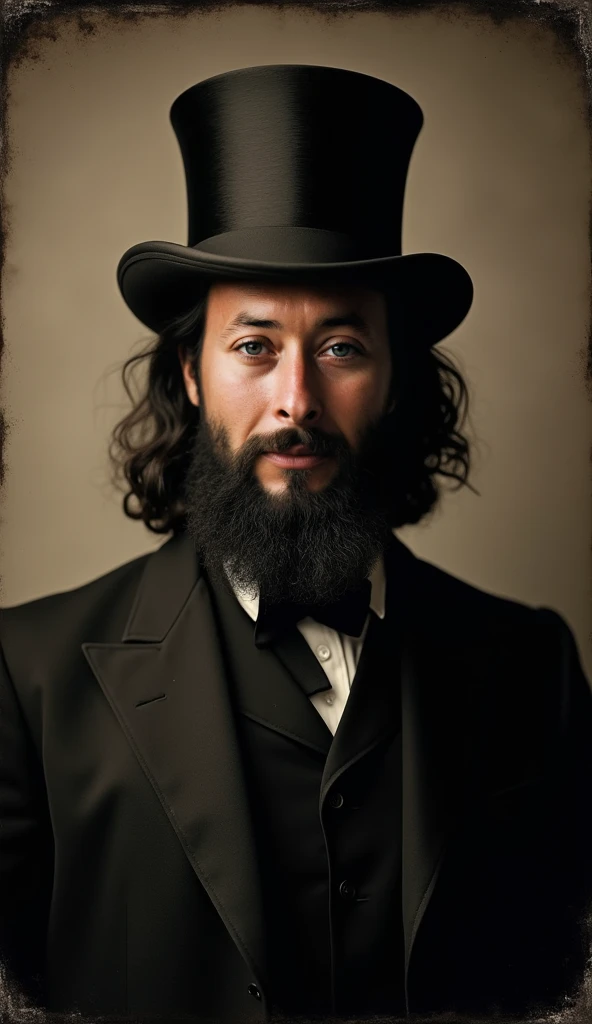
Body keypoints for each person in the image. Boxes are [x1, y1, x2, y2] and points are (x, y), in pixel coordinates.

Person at [1, 64, 591, 1024]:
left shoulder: (534, 667)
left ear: (396, 379)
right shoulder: (26, 677)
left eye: (342, 348)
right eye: (253, 345)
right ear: (191, 375)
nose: (297, 401)